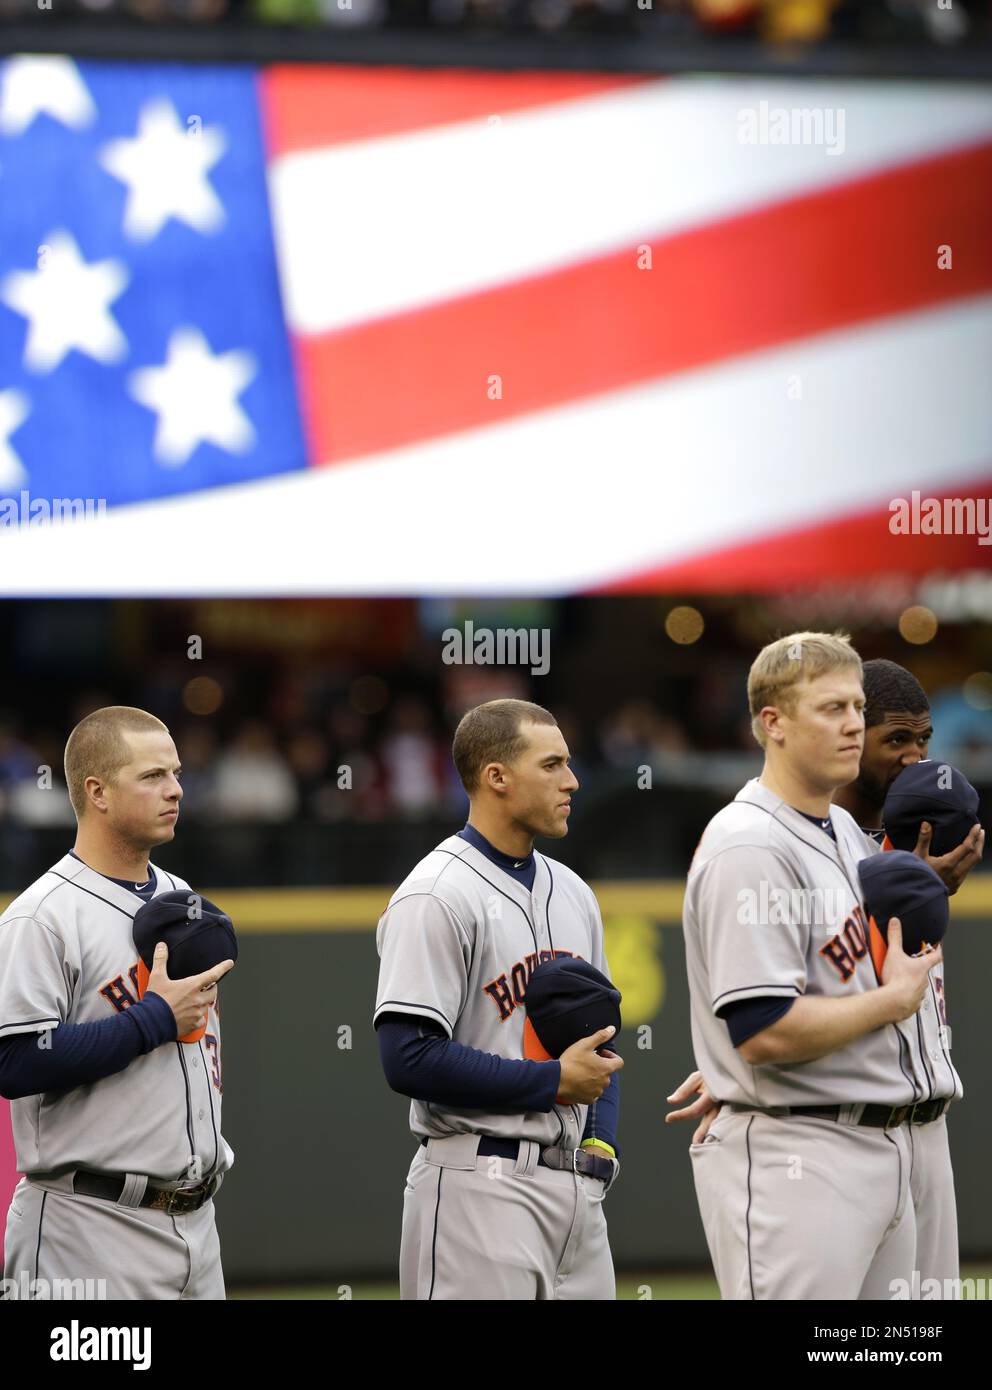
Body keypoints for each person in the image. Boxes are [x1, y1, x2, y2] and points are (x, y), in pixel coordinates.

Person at [668, 657, 983, 1295]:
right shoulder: (750, 841)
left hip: (896, 1132)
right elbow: (763, 1026)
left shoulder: (847, 836)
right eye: (835, 710)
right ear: (773, 723)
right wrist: (745, 1061)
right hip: (804, 1147)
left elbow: (823, 981)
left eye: (854, 711)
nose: (850, 726)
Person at [373, 698, 623, 1300]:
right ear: (497, 777)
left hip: (574, 1192)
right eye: (553, 764)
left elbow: (602, 1042)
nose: (573, 780)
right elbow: (407, 1058)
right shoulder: (435, 894)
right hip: (475, 1183)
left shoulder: (573, 891)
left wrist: (601, 1147)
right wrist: (553, 1081)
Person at [0, 706, 234, 1301]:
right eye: (153, 775)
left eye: (177, 773)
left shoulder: (181, 898)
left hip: (196, 1224)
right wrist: (154, 1018)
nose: (176, 789)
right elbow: (15, 1061)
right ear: (96, 792)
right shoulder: (42, 916)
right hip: (88, 1225)